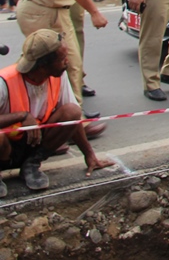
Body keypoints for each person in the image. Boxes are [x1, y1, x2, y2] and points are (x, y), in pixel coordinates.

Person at [0, 29, 114, 196]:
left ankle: (31, 164)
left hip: (32, 142)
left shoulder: (58, 75)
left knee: (72, 111)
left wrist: (89, 155)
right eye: (62, 59)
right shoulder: (5, 82)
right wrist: (22, 116)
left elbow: (72, 120)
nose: (67, 61)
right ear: (43, 65)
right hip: (5, 149)